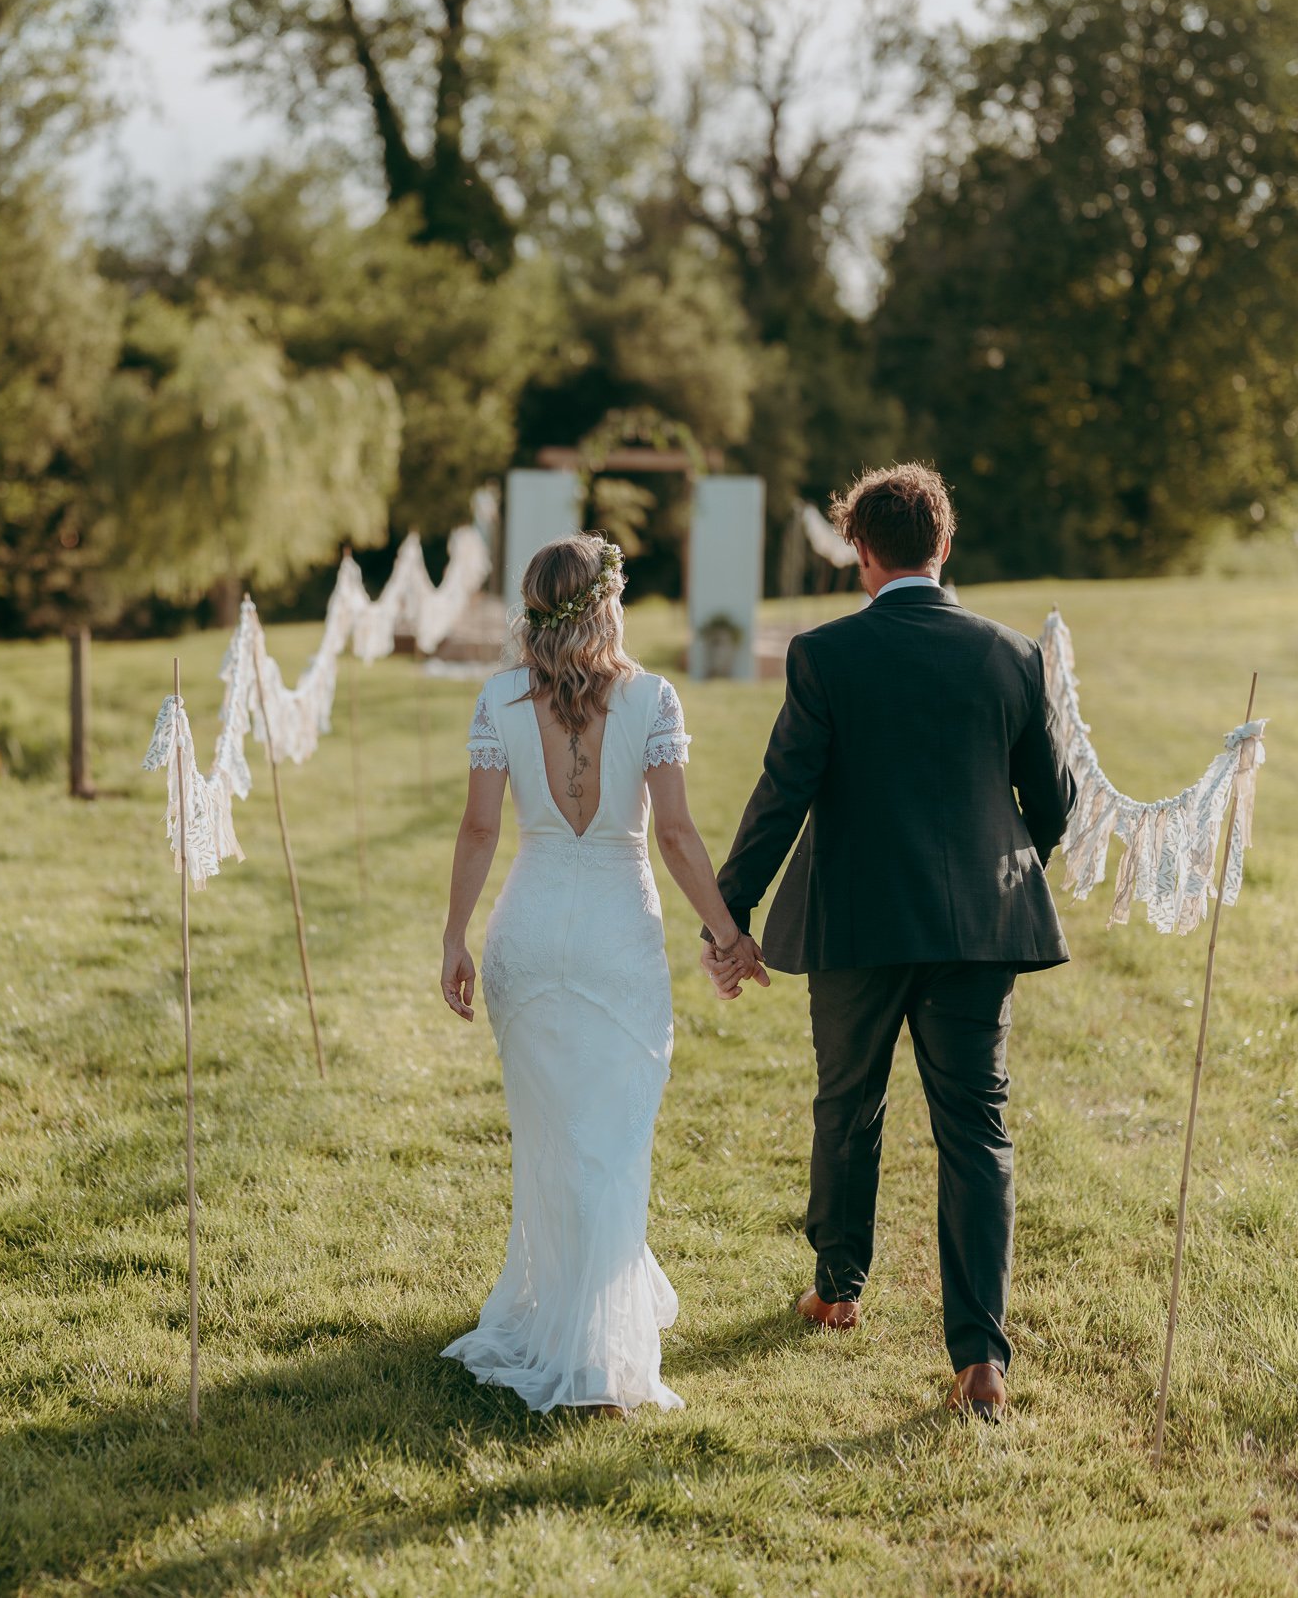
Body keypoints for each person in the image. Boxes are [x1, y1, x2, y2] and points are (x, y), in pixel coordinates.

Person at [701, 463, 1075, 1421]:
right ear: (943, 546)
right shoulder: (1009, 656)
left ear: (861, 554)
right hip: (975, 932)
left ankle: (837, 1288)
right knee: (975, 1128)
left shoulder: (825, 655)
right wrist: (993, 858)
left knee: (848, 1103)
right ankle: (980, 1359)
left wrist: (729, 911)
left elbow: (781, 792)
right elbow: (1055, 804)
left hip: (857, 924)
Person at [436, 533, 758, 1418]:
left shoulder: (499, 699)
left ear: (532, 609)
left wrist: (455, 937)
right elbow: (677, 836)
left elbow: (477, 831)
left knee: (552, 1143)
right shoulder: (651, 697)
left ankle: (570, 1324)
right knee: (609, 1144)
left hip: (527, 938)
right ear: (608, 602)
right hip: (618, 938)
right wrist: (731, 935)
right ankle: (595, 1357)